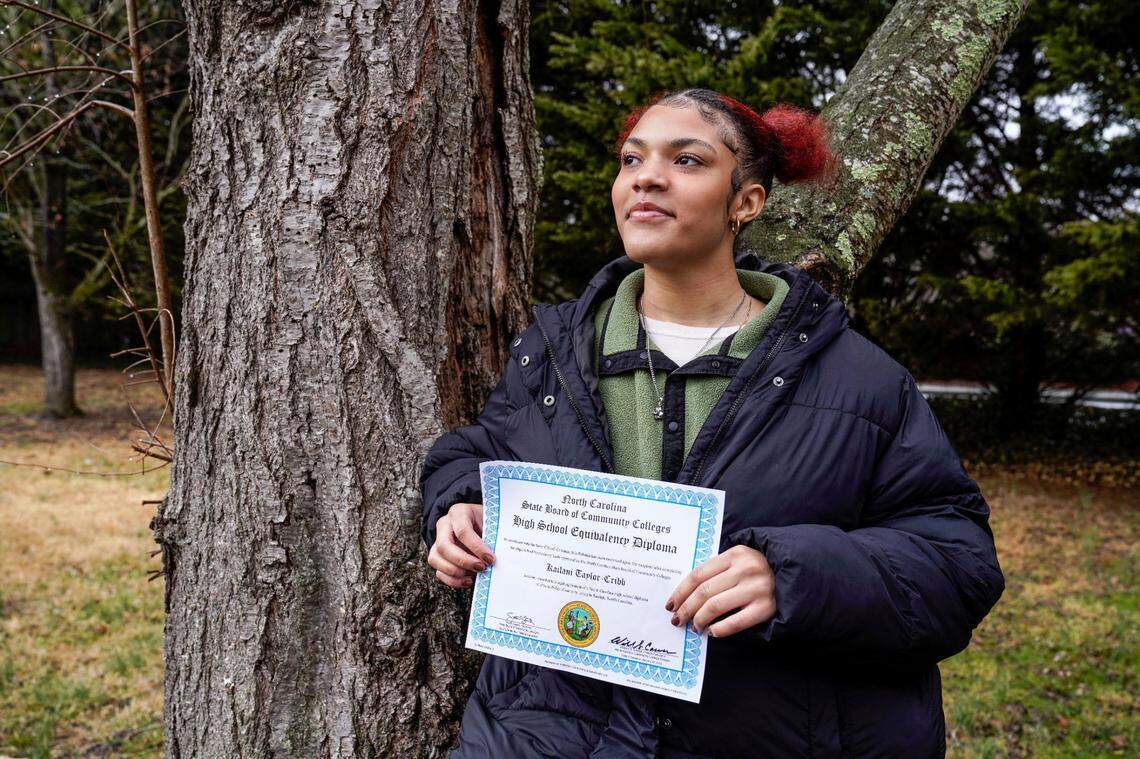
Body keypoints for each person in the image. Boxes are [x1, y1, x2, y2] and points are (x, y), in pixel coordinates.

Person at [419, 87, 1005, 758]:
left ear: (746, 202)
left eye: (688, 160)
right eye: (631, 158)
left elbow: (957, 565)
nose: (647, 175)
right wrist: (459, 506)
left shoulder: (857, 380)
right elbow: (477, 454)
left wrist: (792, 576)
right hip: (550, 737)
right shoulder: (552, 353)